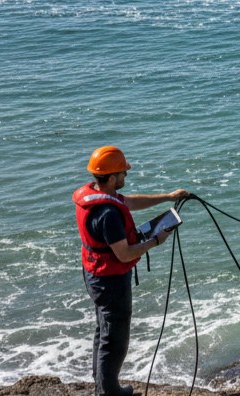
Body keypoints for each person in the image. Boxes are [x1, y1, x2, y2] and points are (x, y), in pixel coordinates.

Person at [73, 146, 190, 396]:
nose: (126, 177)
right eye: (123, 173)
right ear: (113, 177)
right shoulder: (108, 214)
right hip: (110, 281)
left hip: (95, 274)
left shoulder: (97, 194)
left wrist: (169, 196)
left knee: (103, 331)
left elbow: (131, 201)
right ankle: (108, 392)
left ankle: (103, 386)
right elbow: (125, 254)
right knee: (114, 340)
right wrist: (157, 240)